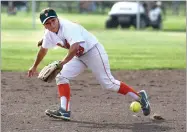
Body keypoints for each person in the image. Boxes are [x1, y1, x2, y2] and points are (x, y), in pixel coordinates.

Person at [28, 8, 151, 121]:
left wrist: (63, 62)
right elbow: (43, 50)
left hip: (93, 51)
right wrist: (34, 66)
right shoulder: (48, 34)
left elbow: (75, 47)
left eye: (53, 20)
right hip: (79, 56)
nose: (52, 24)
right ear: (44, 25)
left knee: (108, 83)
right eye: (48, 23)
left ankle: (140, 97)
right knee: (61, 76)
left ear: (57, 19)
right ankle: (64, 111)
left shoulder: (68, 27)